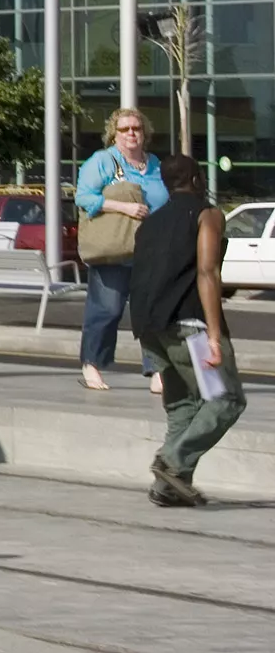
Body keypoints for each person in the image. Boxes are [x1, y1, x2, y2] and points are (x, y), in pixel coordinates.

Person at [128, 154, 245, 506]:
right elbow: (207, 273)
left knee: (183, 404)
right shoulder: (207, 214)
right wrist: (213, 336)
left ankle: (167, 489)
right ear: (196, 179)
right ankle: (173, 464)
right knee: (226, 399)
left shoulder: (150, 223)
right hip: (189, 326)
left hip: (148, 326)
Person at [77, 107, 169, 392]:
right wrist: (124, 207)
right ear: (113, 134)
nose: (131, 133)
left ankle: (157, 370)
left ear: (145, 133)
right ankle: (91, 363)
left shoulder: (155, 164)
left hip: (150, 250)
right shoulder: (103, 161)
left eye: (136, 128)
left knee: (152, 311)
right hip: (114, 249)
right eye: (124, 129)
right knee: (107, 309)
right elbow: (83, 196)